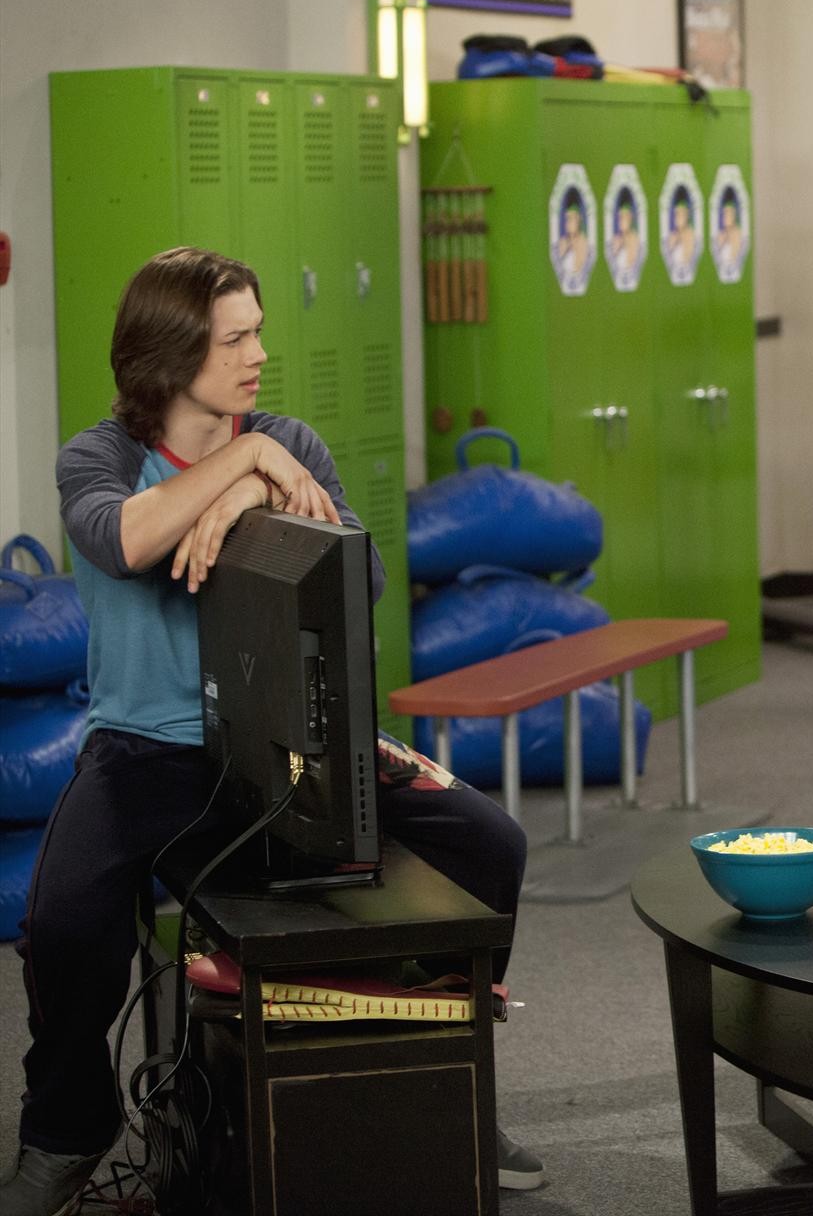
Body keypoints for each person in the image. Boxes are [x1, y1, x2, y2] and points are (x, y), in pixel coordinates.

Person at [0, 248, 543, 1215]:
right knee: (61, 924)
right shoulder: (98, 457)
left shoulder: (292, 440)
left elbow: (361, 575)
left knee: (490, 844)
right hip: (146, 752)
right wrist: (246, 465)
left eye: (257, 333)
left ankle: (447, 1074)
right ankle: (66, 1131)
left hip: (298, 749)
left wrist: (257, 488)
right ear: (171, 353)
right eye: (234, 339)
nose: (258, 355)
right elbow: (125, 541)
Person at [553, 191, 591, 291]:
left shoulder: (584, 243)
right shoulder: (561, 243)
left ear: (579, 219)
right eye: (567, 219)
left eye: (572, 218)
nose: (568, 222)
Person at [607, 191, 643, 288]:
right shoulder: (615, 240)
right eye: (620, 218)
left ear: (630, 218)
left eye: (624, 217)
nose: (621, 221)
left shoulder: (636, 239)